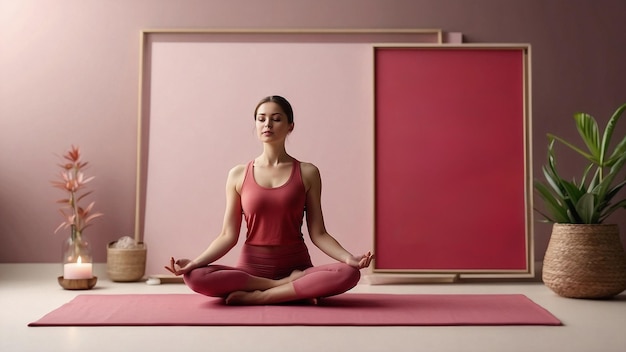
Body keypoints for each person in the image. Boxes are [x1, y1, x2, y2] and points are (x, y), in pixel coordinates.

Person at [165, 95, 373, 305]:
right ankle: (286, 289)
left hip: (297, 267)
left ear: (290, 126)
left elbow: (318, 233)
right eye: (261, 119)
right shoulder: (238, 174)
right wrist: (195, 263)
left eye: (276, 119)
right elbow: (227, 235)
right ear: (255, 124)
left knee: (349, 273)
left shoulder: (307, 172)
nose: (267, 124)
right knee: (195, 277)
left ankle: (260, 296)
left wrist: (348, 258)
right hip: (252, 271)